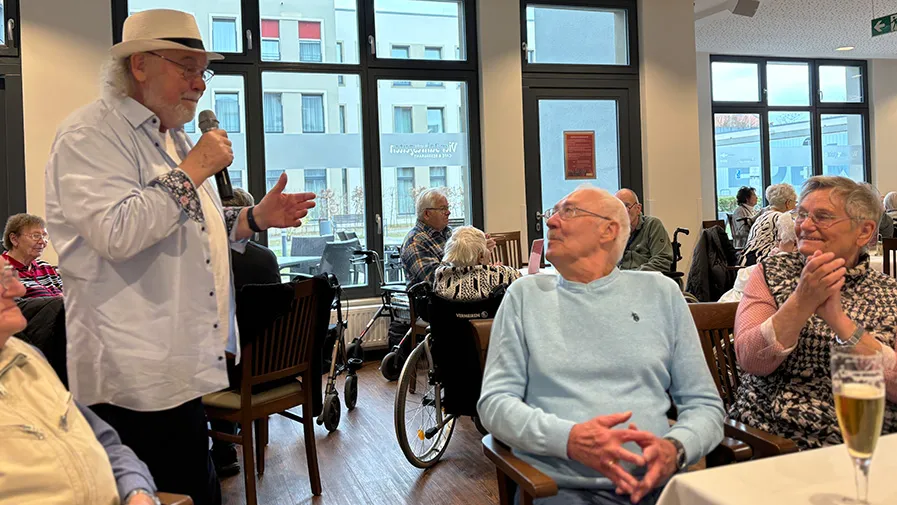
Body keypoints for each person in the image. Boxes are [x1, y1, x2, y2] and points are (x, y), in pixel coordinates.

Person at [43, 10, 315, 505]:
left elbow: (186, 227)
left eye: (203, 70)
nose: (199, 84)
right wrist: (193, 171)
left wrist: (252, 220)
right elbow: (118, 232)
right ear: (140, 65)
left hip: (179, 369)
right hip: (130, 380)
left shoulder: (169, 136)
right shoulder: (90, 136)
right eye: (186, 67)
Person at [478, 186, 724, 505]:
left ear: (609, 230)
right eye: (551, 213)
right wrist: (569, 439)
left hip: (658, 484)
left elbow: (704, 404)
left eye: (568, 211)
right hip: (558, 488)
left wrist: (676, 448)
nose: (551, 222)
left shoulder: (661, 293)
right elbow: (495, 404)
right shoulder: (524, 296)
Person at [729, 176, 897, 450]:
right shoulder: (771, 273)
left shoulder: (890, 292)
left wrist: (839, 322)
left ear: (864, 232)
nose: (805, 225)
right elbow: (751, 359)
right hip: (778, 442)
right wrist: (801, 301)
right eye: (802, 214)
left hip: (873, 443)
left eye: (822, 216)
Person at [0, 256, 159, 505]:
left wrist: (137, 491)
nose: (19, 289)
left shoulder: (27, 356)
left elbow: (106, 442)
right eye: (1, 280)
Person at [210, 188, 281, 477]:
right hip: (270, 366)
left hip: (230, 369)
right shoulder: (266, 258)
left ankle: (224, 450)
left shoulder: (209, 260)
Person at [719, 211, 797, 303]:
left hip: (744, 262)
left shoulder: (764, 214)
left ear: (795, 244)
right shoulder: (781, 219)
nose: (776, 244)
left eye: (779, 240)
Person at [434, 226, 521, 301]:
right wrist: (495, 270)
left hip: (452, 320)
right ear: (481, 256)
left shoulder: (441, 275)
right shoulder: (505, 273)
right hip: (491, 319)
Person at [400, 188, 454, 287]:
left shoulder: (450, 233)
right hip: (434, 300)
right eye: (443, 209)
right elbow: (436, 280)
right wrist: (460, 259)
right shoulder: (415, 242)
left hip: (459, 296)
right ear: (427, 214)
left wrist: (479, 252)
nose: (448, 212)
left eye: (447, 207)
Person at [2, 213, 64, 298]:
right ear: (14, 239)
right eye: (36, 236)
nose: (42, 242)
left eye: (44, 236)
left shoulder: (46, 267)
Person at [614, 189, 673, 272]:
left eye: (626, 206)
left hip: (646, 280)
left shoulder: (652, 225)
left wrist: (634, 276)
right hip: (620, 280)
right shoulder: (612, 231)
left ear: (638, 208)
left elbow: (662, 260)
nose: (622, 211)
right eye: (618, 207)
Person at [738, 184, 797, 266]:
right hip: (762, 264)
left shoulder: (762, 216)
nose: (795, 206)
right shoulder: (782, 218)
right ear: (788, 203)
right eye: (795, 202)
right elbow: (796, 240)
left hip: (746, 263)